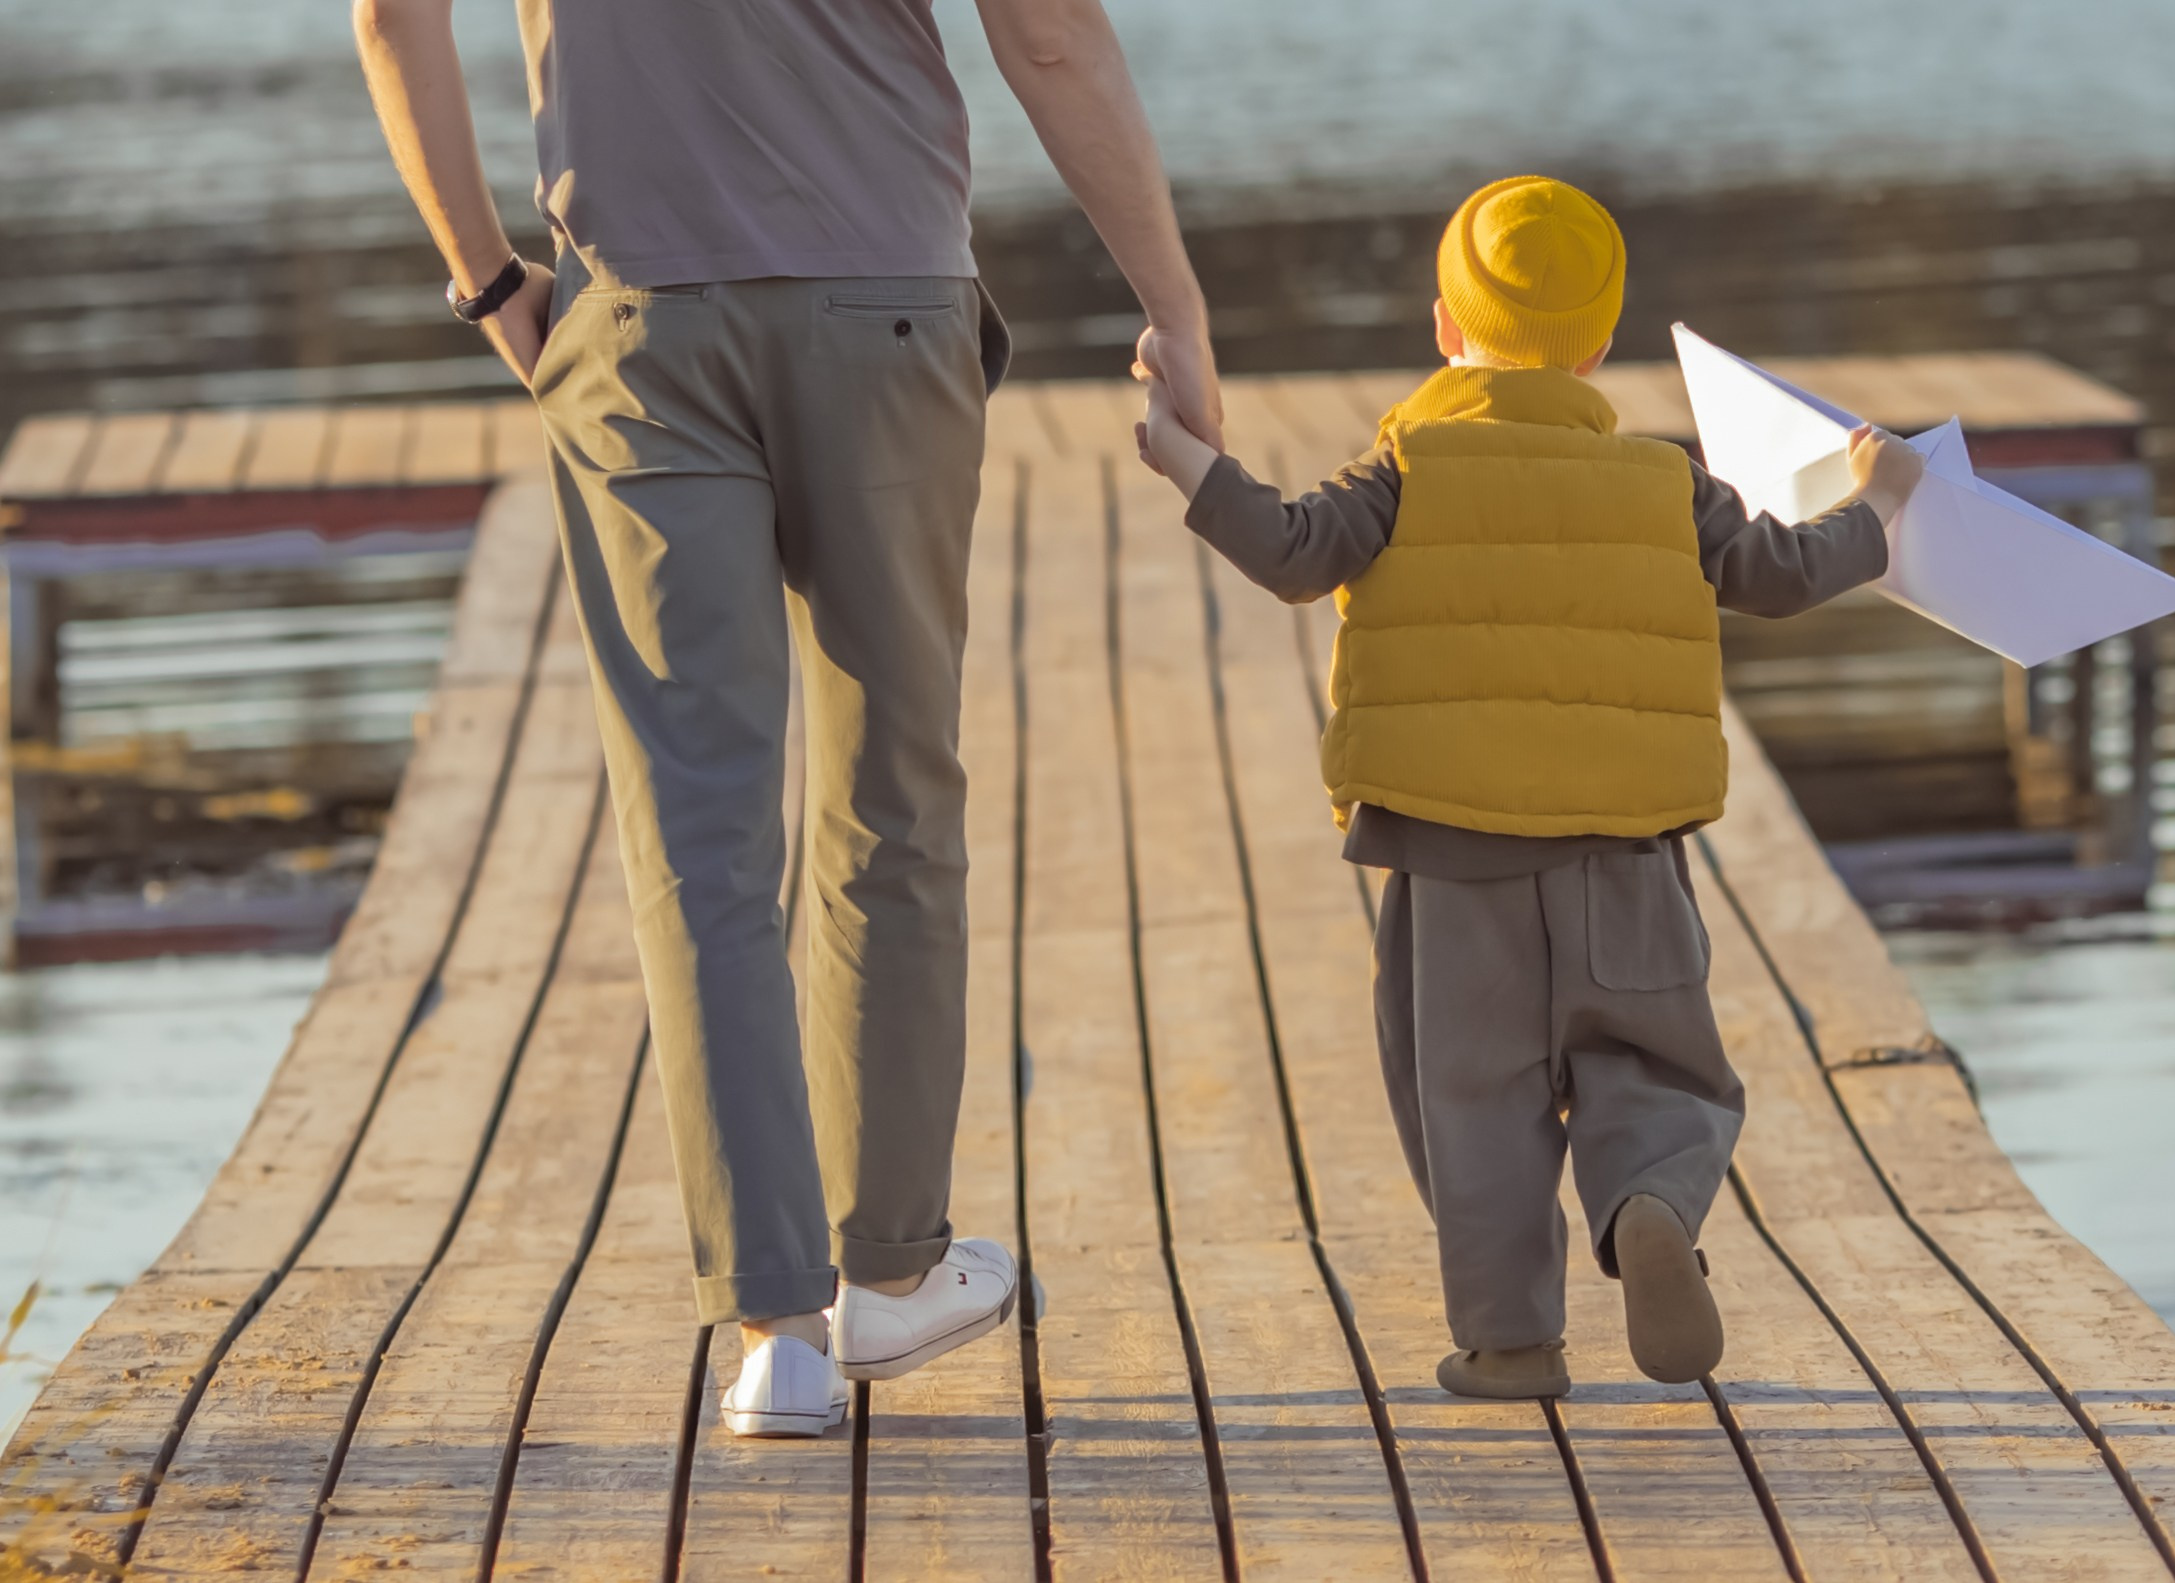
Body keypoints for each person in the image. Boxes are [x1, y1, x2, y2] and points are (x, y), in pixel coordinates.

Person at [355, 0, 1222, 1437]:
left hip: (638, 326)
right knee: (894, 795)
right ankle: (886, 1272)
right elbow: (1052, 35)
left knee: (700, 836)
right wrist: (1173, 312)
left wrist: (486, 283)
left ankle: (776, 1334)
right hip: (886, 311)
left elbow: (391, 16)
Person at [1136, 175, 1925, 1397]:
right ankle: (1649, 1199)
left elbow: (1291, 551)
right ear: (1599, 348)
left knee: (1475, 1100)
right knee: (1652, 1060)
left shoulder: (1404, 466)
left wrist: (1188, 456)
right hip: (1626, 851)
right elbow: (1780, 571)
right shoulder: (1668, 485)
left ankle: (1511, 1341)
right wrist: (1874, 506)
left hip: (1452, 859)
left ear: (1446, 329)